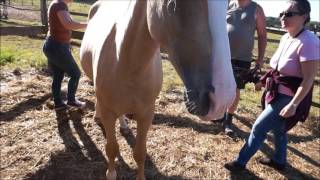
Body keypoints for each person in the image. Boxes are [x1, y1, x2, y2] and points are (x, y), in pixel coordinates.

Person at [225, 0, 319, 171]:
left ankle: (240, 162)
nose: (283, 17)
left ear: (304, 16)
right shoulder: (286, 37)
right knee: (278, 129)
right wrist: (263, 80)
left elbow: (308, 80)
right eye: (281, 14)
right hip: (274, 92)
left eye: (289, 14)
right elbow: (277, 68)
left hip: (288, 97)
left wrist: (293, 104)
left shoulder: (309, 42)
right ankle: (279, 161)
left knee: (259, 128)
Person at [220, 0, 267, 135]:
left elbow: (262, 35)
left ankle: (228, 120)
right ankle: (220, 114)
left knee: (235, 89)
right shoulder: (227, 4)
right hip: (223, 55)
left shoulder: (256, 9)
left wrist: (260, 58)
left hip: (243, 58)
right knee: (221, 85)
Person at [43, 0, 87, 110]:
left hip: (54, 45)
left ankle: (58, 103)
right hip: (57, 47)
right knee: (76, 73)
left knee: (58, 76)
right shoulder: (60, 4)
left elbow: (58, 26)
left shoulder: (57, 4)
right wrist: (89, 24)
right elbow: (68, 24)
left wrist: (66, 43)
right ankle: (71, 100)